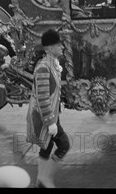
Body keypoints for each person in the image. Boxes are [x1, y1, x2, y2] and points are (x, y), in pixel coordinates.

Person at [26, 30, 70, 188]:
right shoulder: (44, 68)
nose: (62, 47)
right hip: (46, 117)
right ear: (50, 48)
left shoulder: (52, 64)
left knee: (48, 146)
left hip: (51, 115)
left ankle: (41, 180)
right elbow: (42, 98)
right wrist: (51, 122)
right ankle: (44, 179)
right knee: (64, 145)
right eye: (59, 44)